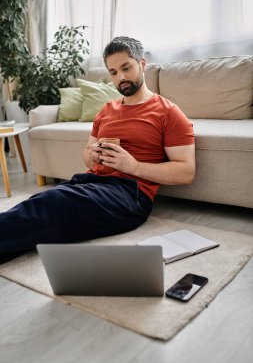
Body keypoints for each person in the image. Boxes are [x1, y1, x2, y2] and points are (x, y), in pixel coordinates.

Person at [0, 36, 195, 264]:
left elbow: (186, 171)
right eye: (113, 72)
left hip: (128, 193)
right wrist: (91, 155)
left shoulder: (168, 112)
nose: (120, 77)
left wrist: (134, 166)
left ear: (142, 64)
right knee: (38, 205)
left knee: (53, 202)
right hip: (90, 181)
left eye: (126, 68)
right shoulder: (106, 110)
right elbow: (87, 155)